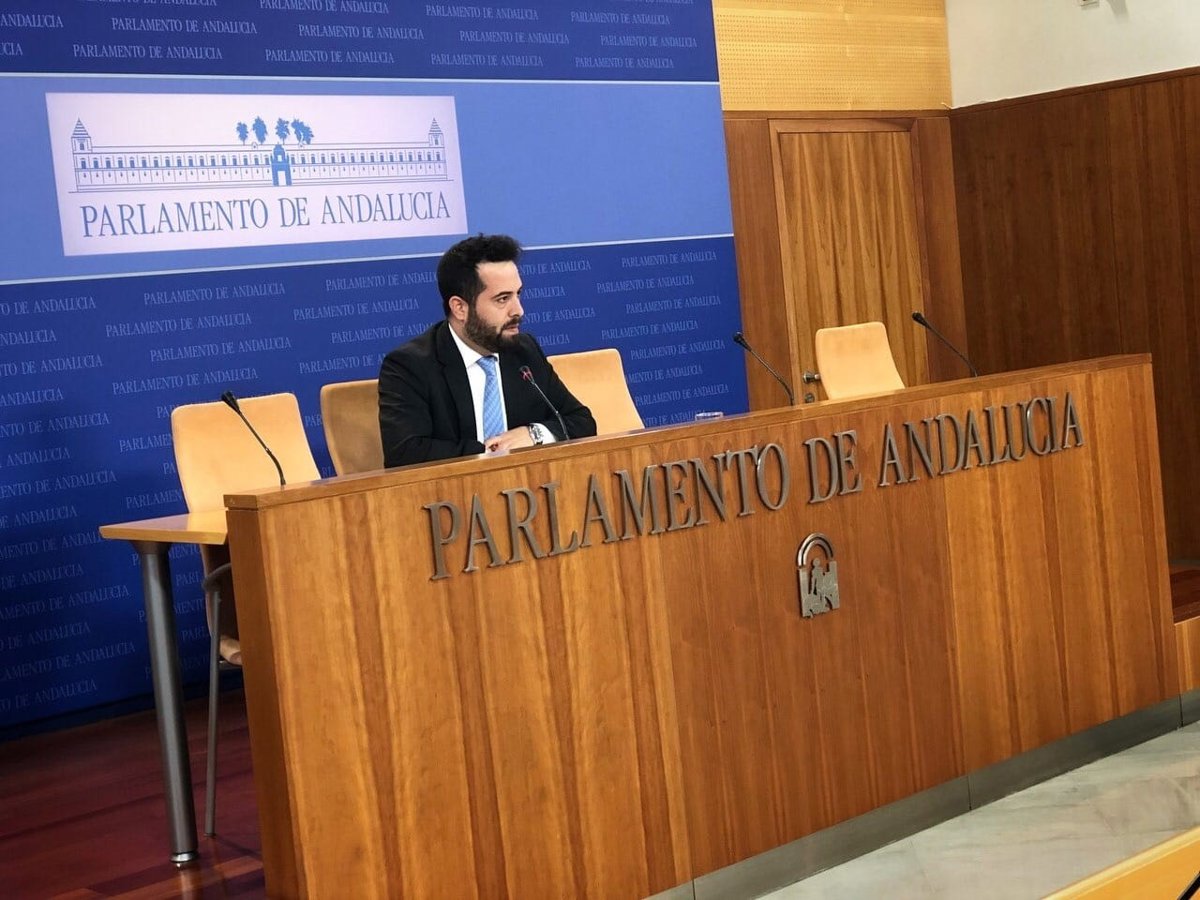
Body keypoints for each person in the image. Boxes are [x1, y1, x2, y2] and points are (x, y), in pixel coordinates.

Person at [379, 234, 596, 467]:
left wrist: (534, 435)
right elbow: (405, 453)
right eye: (502, 299)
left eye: (518, 294)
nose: (518, 311)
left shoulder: (524, 351)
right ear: (460, 308)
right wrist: (492, 452)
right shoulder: (410, 365)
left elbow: (581, 422)